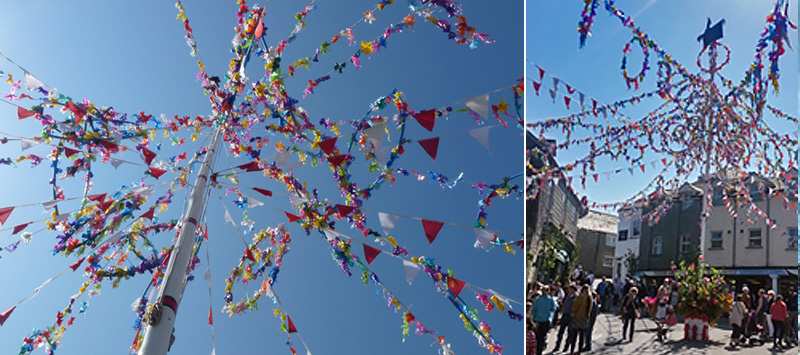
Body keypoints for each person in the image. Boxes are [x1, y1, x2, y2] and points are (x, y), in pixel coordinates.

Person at [531, 286, 558, 355]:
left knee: (537, 338)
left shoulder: (537, 299)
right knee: (542, 338)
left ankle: (535, 352)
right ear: (548, 291)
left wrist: (533, 319)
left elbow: (533, 310)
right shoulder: (550, 299)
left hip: (537, 321)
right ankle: (539, 352)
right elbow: (553, 309)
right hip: (545, 321)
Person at [567, 285, 593, 354]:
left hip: (577, 318)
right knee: (581, 337)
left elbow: (575, 307)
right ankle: (579, 351)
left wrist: (573, 313)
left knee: (574, 336)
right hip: (584, 319)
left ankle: (572, 351)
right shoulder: (590, 298)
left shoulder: (580, 297)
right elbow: (590, 310)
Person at [553, 285, 576, 352]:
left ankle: (566, 347)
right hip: (564, 315)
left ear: (573, 290)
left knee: (569, 333)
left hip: (571, 317)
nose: (569, 290)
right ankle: (557, 346)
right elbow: (564, 305)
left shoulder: (576, 297)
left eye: (570, 289)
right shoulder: (567, 296)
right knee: (560, 332)